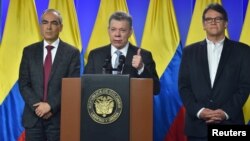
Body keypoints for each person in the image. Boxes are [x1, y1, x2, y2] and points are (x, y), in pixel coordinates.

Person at [178, 3, 250, 141]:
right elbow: (184, 87)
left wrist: (225, 112)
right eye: (209, 19)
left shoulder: (243, 51)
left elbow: (245, 86)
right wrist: (199, 111)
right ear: (203, 25)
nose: (213, 22)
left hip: (230, 124)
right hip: (197, 127)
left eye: (218, 19)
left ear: (226, 23)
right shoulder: (189, 52)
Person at [18, 9, 80, 141]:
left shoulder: (72, 53)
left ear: (61, 27)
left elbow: (71, 86)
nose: (49, 27)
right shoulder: (29, 51)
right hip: (33, 119)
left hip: (58, 120)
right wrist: (38, 106)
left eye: (54, 23)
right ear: (41, 26)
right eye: (45, 22)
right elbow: (24, 84)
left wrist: (50, 105)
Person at [84, 11, 160, 95]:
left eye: (122, 30)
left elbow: (155, 89)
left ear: (130, 32)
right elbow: (84, 87)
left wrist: (141, 68)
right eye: (113, 29)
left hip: (132, 107)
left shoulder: (144, 56)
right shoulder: (95, 55)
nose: (117, 34)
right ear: (108, 30)